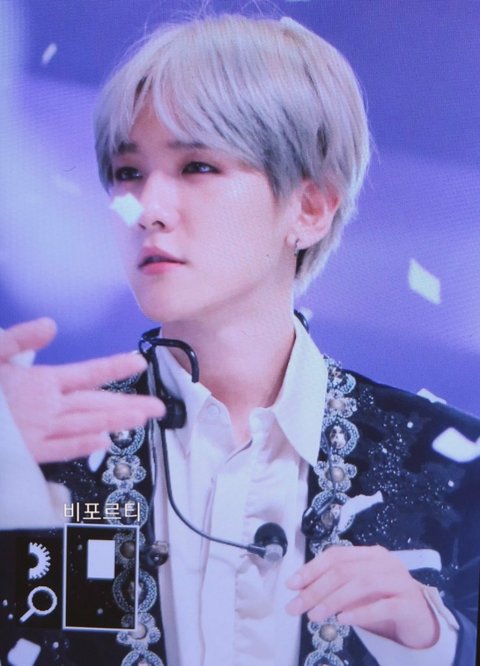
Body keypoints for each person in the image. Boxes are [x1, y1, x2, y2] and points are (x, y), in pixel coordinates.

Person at [1, 13, 479, 666]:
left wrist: (434, 642)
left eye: (197, 166)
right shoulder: (45, 449)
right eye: (128, 172)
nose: (147, 208)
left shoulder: (451, 470)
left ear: (309, 208)